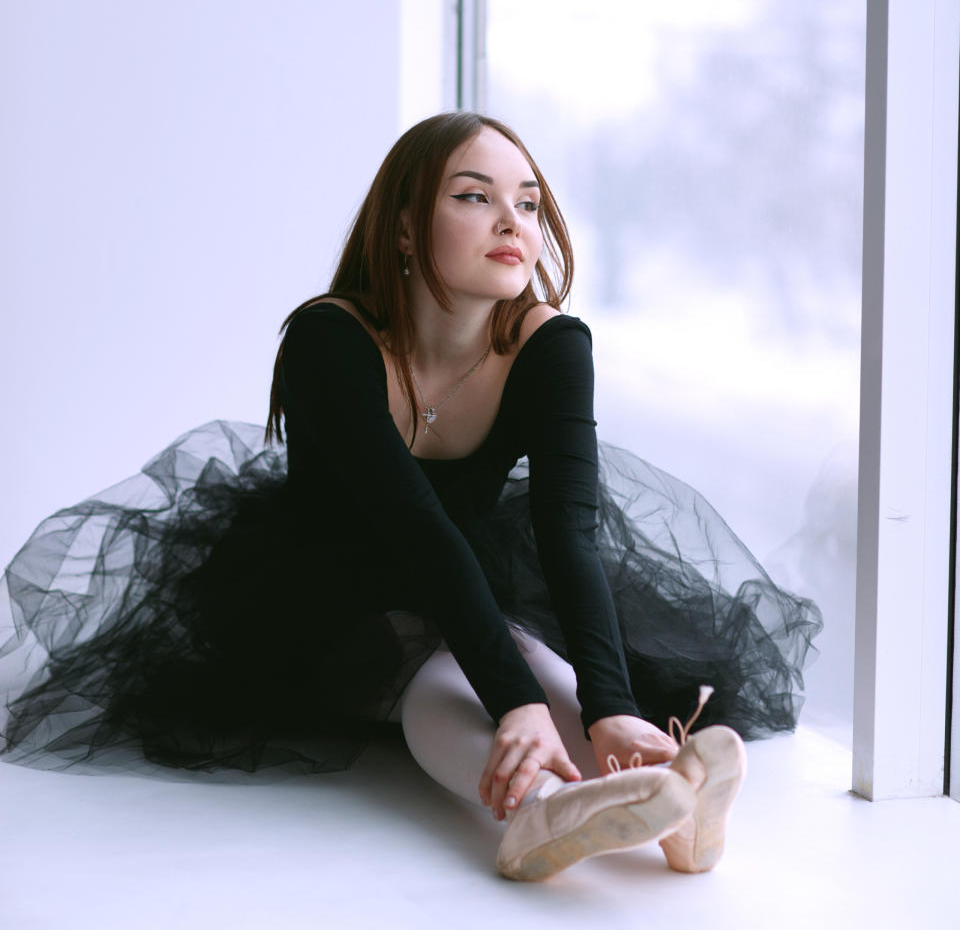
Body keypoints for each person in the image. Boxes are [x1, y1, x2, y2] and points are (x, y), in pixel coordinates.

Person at [0, 112, 820, 881]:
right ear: (403, 229)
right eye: (475, 197)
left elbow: (568, 533)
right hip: (331, 594)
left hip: (471, 579)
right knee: (434, 676)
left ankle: (666, 795)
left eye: (528, 203)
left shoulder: (551, 346)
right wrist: (516, 704)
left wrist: (608, 707)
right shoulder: (330, 341)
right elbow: (417, 533)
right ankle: (535, 812)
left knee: (536, 660)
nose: (512, 223)